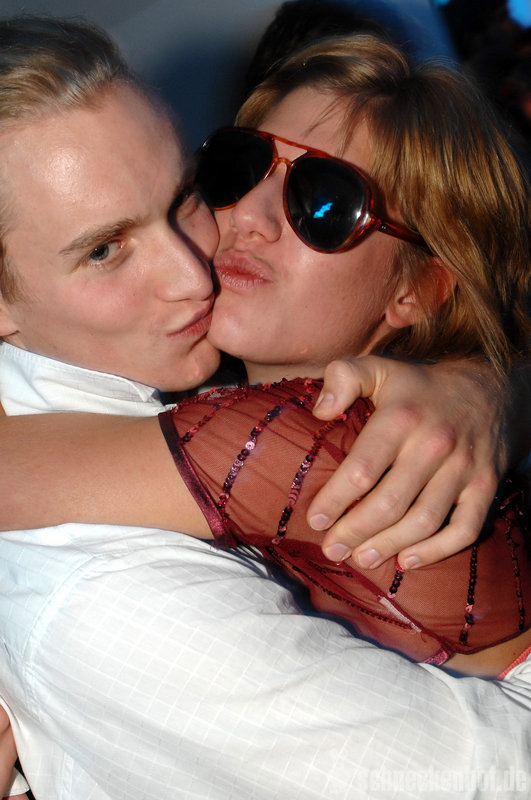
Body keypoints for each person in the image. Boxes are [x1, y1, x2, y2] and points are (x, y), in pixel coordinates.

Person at [0, 15, 528, 800]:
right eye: (236, 169)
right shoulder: (115, 582)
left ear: (418, 289)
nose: (241, 221)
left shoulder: (322, 444)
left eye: (324, 203)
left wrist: (489, 382)